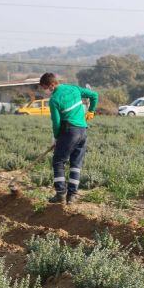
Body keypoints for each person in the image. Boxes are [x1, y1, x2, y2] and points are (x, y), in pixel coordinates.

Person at [39, 73, 99, 205]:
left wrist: (56, 137)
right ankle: (72, 196)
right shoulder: (74, 88)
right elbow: (94, 95)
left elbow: (56, 122)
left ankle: (60, 194)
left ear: (52, 84)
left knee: (58, 161)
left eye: (46, 88)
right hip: (83, 131)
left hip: (69, 132)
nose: (47, 91)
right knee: (76, 164)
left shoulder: (54, 99)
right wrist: (91, 111)